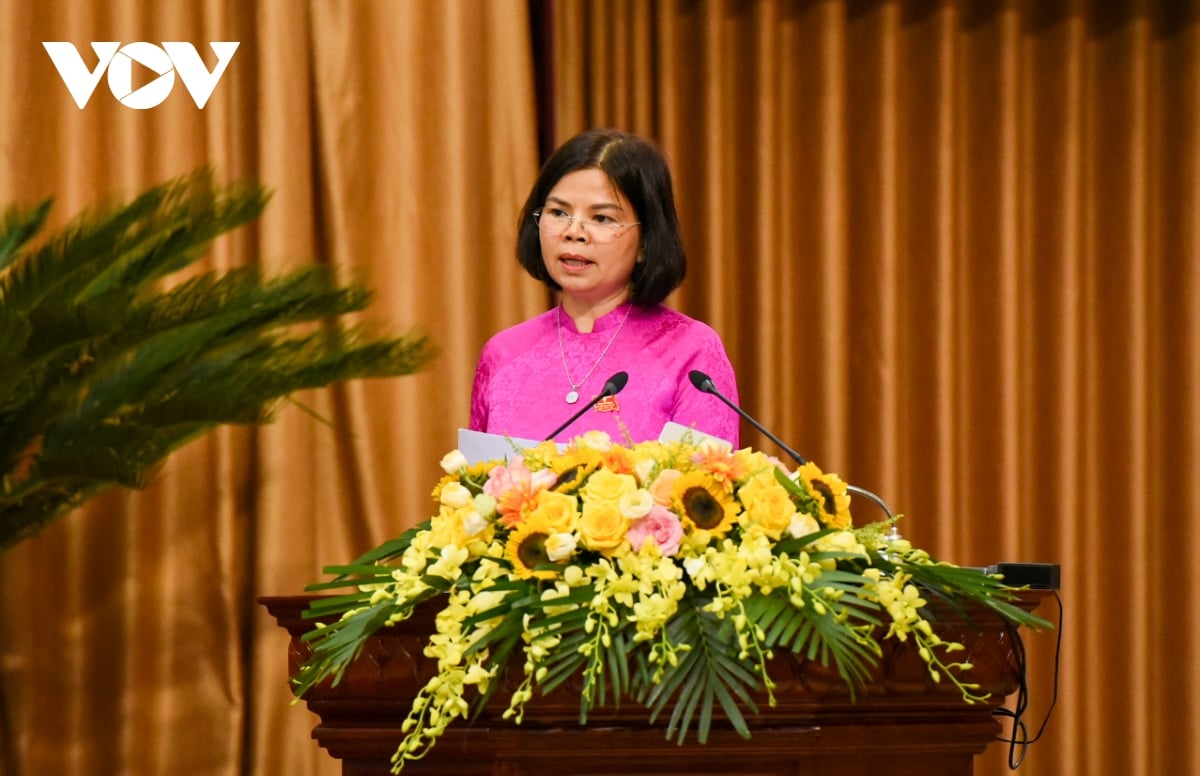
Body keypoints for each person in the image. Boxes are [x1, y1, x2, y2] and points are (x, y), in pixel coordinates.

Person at [469, 128, 740, 446]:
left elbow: (703, 491)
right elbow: (478, 486)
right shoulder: (504, 354)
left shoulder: (690, 352)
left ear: (645, 242)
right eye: (558, 212)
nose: (574, 232)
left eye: (602, 218)